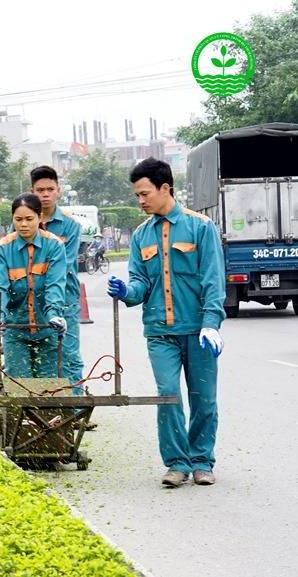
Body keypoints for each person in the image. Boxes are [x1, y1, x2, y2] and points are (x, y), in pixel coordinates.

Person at [107, 157, 225, 487]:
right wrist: (126, 291)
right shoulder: (141, 236)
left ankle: (202, 459)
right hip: (160, 331)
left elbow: (213, 280)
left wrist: (212, 323)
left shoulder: (200, 227)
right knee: (168, 392)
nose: (140, 201)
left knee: (204, 398)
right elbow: (140, 283)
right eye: (136, 196)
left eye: (144, 193)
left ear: (165, 188)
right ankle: (176, 462)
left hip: (198, 329)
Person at [0, 194, 67, 377]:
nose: (23, 224)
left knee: (48, 389)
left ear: (40, 217)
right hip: (15, 330)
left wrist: (54, 314)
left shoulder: (54, 245)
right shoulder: (2, 249)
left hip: (46, 328)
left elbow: (54, 285)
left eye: (29, 219)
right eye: (18, 219)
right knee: (19, 386)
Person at [25, 166, 86, 391]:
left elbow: (63, 265)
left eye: (50, 189)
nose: (45, 194)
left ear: (59, 190)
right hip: (30, 302)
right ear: (32, 191)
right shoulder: (23, 221)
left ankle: (77, 412)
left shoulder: (70, 225)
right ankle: (48, 411)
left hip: (65, 300)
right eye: (40, 189)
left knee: (68, 355)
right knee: (41, 356)